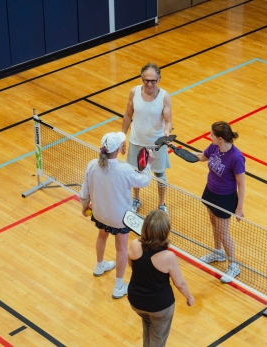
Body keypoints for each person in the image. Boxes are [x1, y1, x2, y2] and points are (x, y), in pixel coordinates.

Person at [79, 132, 154, 298]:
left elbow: (84, 190)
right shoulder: (124, 170)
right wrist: (148, 165)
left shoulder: (92, 165)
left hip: (100, 214)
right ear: (120, 149)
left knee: (102, 236)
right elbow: (144, 181)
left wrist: (85, 205)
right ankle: (119, 286)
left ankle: (99, 265)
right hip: (119, 219)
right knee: (121, 249)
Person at [127, 209, 194, 347]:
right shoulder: (168, 257)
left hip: (137, 301)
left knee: (148, 326)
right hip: (159, 307)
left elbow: (130, 264)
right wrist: (189, 297)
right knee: (158, 339)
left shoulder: (134, 244)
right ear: (165, 232)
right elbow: (179, 283)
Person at [195, 121, 246, 283]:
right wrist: (180, 152)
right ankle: (218, 252)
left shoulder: (236, 157)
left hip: (225, 198)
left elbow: (241, 184)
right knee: (214, 223)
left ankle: (233, 265)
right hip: (210, 191)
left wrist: (239, 208)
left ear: (220, 139)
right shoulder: (214, 148)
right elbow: (202, 157)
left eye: (211, 135)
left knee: (224, 232)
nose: (209, 136)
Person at [122, 62, 173, 214]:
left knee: (159, 174)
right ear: (141, 78)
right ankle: (136, 199)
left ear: (159, 79)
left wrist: (166, 132)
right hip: (136, 140)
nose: (150, 84)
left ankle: (162, 204)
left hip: (157, 144)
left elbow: (169, 121)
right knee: (135, 172)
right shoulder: (134, 92)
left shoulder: (164, 97)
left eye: (153, 81)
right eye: (146, 80)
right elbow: (128, 115)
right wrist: (122, 136)